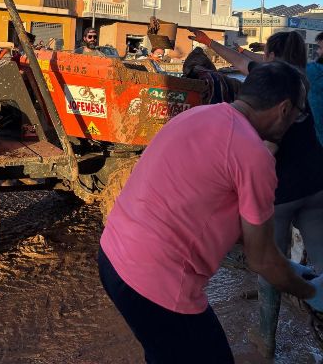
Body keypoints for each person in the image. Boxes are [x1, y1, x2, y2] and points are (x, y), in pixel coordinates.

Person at [99, 62, 323, 364]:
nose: (295, 120)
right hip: (158, 283)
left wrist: (288, 266)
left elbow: (228, 219)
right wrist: (310, 292)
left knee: (165, 352)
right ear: (284, 109)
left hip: (113, 258)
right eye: (298, 114)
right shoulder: (254, 156)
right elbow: (261, 260)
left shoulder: (199, 114)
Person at [189, 28, 323, 356]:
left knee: (270, 264)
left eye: (266, 54)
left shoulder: (271, 82)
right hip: (317, 184)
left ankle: (266, 338)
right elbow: (243, 59)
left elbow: (239, 59)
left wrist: (208, 43)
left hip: (281, 194)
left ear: (273, 56)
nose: (261, 58)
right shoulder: (310, 77)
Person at [307, 31, 323, 145]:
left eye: (320, 47)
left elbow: (282, 67)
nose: (317, 51)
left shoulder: (315, 71)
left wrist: (241, 52)